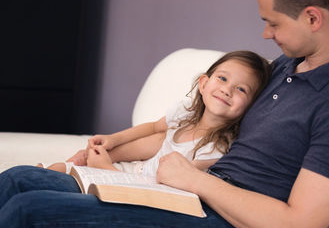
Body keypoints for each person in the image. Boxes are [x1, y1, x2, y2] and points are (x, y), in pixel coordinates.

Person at [0, 0, 329, 228]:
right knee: (18, 180)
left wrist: (195, 181)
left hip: (219, 222)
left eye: (272, 23)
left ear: (313, 17)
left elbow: (298, 225)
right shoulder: (285, 69)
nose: (266, 34)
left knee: (28, 211)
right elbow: (190, 124)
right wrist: (115, 152)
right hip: (183, 195)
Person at [38, 51, 271, 176]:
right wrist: (113, 140)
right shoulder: (184, 114)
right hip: (129, 173)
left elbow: (164, 187)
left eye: (241, 89)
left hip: (141, 190)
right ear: (203, 84)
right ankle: (52, 173)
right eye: (222, 78)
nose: (227, 90)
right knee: (60, 167)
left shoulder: (217, 149)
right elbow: (151, 128)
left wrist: (104, 168)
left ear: (250, 106)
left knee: (82, 168)